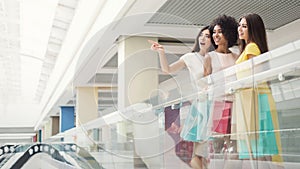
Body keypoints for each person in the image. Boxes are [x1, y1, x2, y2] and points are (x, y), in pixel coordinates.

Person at [149, 26, 213, 169]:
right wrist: (161, 52)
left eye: (207, 36)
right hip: (201, 106)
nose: (203, 38)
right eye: (201, 35)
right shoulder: (190, 58)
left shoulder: (216, 57)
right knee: (198, 153)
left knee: (211, 151)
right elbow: (167, 70)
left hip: (216, 103)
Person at [235, 13, 283, 165]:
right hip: (253, 100)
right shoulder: (249, 48)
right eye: (239, 25)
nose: (240, 29)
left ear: (253, 29)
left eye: (244, 26)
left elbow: (252, 76)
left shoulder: (251, 47)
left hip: (256, 101)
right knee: (259, 151)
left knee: (258, 151)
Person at [203, 14, 239, 161]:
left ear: (228, 33)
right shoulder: (209, 57)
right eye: (214, 32)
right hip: (217, 103)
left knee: (233, 145)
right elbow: (205, 83)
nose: (215, 35)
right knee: (217, 145)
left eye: (219, 31)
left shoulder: (236, 56)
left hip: (234, 102)